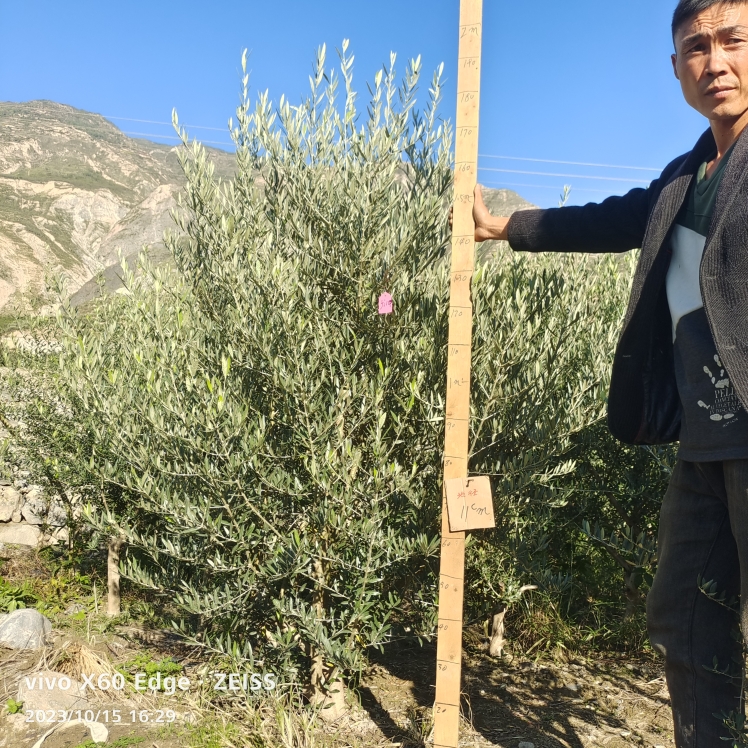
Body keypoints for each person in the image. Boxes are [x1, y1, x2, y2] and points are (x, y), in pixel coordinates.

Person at [458, 1, 748, 745]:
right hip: (705, 441)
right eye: (695, 47)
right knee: (681, 618)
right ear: (676, 66)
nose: (714, 62)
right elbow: (615, 219)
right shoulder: (687, 176)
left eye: (732, 41)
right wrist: (508, 228)